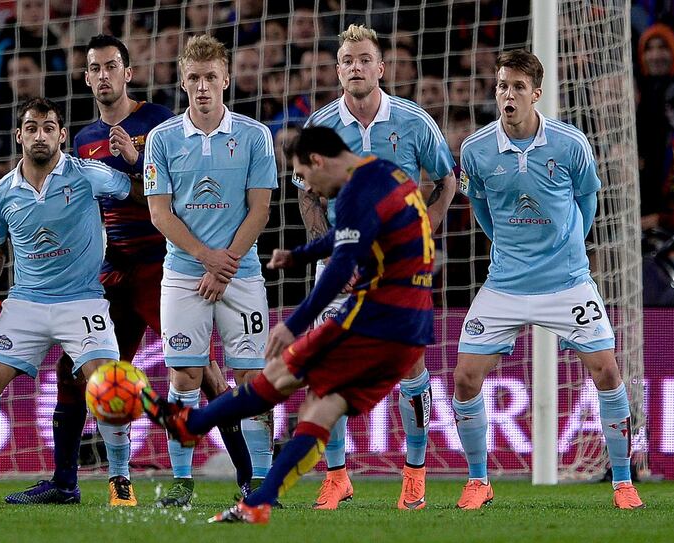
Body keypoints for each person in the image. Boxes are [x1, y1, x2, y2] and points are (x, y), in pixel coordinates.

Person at [142, 125, 437, 524]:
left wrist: (293, 326)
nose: (311, 189)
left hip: (375, 319)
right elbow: (346, 236)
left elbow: (341, 267)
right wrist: (299, 255)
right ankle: (258, 501)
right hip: (411, 327)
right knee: (324, 404)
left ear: (317, 160)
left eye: (306, 175)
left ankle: (192, 423)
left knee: (282, 371)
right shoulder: (386, 173)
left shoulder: (354, 191)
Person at [3, 35, 252, 506]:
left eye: (111, 66)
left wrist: (137, 167)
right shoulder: (82, 140)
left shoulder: (160, 123)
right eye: (94, 68)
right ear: (86, 78)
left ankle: (249, 479)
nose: (103, 75)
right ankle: (64, 483)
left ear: (127, 73)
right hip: (114, 271)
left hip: (163, 266)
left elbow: (182, 197)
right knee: (73, 371)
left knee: (202, 371)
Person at [455, 49, 644, 510]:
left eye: (519, 87)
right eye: (502, 86)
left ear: (536, 93)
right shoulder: (475, 149)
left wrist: (570, 251)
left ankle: (622, 482)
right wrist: (508, 249)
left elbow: (588, 200)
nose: (509, 94)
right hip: (504, 285)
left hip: (568, 283)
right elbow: (479, 207)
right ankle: (479, 481)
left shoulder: (570, 144)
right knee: (464, 379)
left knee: (607, 371)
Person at [0, 97, 137, 506]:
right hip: (25, 303)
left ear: (62, 135)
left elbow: (136, 191)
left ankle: (120, 479)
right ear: (19, 136)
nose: (40, 135)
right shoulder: (2, 192)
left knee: (107, 383)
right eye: (32, 128)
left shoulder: (87, 175)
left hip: (82, 301)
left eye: (48, 128)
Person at [297, 24, 456, 510]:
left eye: (365, 59)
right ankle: (338, 475)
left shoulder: (413, 120)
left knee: (410, 367)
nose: (356, 68)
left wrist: (424, 231)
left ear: (381, 68)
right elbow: (307, 197)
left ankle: (414, 471)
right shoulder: (321, 127)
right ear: (338, 69)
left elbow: (446, 180)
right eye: (347, 61)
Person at [143, 34, 277, 506]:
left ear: (226, 80)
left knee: (251, 380)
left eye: (210, 78)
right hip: (183, 274)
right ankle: (182, 483)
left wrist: (224, 267)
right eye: (194, 78)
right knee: (184, 377)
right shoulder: (161, 139)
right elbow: (160, 214)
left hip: (241, 274)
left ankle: (260, 482)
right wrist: (206, 258)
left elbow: (259, 211)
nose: (202, 87)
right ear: (183, 82)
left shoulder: (255, 135)